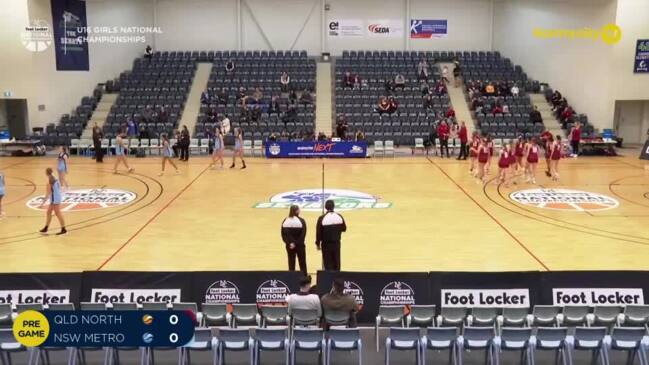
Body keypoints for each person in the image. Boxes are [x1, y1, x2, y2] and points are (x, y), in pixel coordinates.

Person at [315, 200, 347, 271]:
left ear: (325, 207)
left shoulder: (322, 218)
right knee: (336, 262)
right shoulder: (339, 216)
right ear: (334, 206)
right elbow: (344, 228)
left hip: (326, 244)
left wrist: (317, 243)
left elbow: (318, 233)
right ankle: (337, 280)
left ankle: (329, 280)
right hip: (336, 243)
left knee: (328, 263)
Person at [38, 168, 67, 235]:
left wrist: (42, 203)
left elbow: (48, 193)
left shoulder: (49, 182)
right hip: (57, 196)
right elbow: (59, 187)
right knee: (48, 212)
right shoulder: (55, 177)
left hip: (55, 199)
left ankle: (63, 229)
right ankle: (46, 228)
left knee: (58, 213)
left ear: (46, 173)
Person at [281, 205, 307, 274]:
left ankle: (291, 279)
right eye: (299, 209)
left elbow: (283, 235)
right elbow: (303, 235)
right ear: (297, 211)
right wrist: (296, 243)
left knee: (291, 262)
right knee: (302, 262)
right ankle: (304, 278)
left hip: (290, 246)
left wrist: (290, 243)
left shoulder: (285, 221)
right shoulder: (301, 221)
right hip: (300, 245)